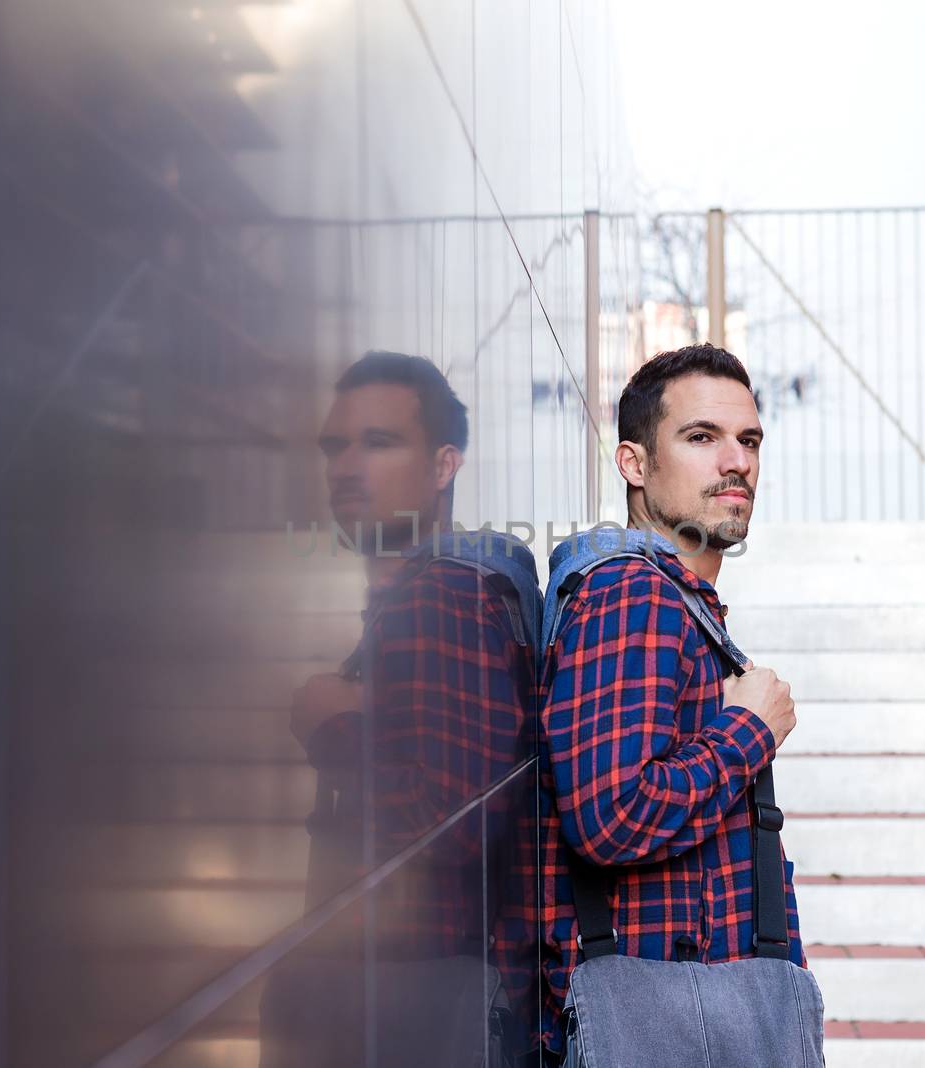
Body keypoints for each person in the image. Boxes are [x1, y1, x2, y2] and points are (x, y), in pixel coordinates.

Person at [262, 350, 542, 1068]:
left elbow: (454, 820)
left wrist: (335, 727)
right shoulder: (428, 593)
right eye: (337, 445)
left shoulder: (440, 594)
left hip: (411, 995)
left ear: (445, 465)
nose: (346, 466)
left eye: (380, 442)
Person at [538, 343, 806, 1062]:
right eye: (701, 437)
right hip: (665, 1017)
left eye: (748, 440)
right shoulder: (634, 594)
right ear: (633, 464)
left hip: (693, 1003)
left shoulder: (679, 601)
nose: (737, 461)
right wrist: (750, 730)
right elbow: (610, 817)